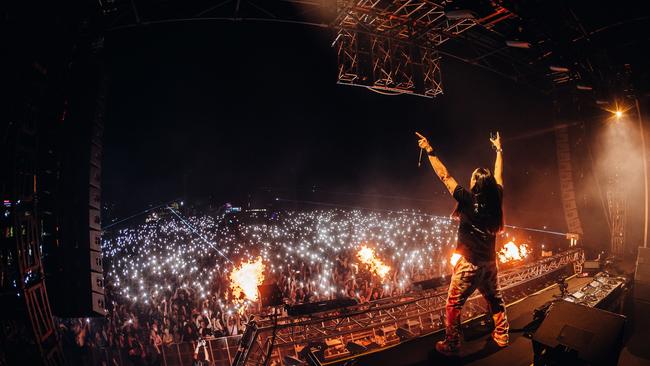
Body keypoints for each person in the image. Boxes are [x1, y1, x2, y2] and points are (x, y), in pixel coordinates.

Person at [416, 131, 509, 356]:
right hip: (489, 263)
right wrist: (499, 150)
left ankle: (452, 343)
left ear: (476, 183)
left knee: (453, 304)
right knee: (495, 299)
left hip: (469, 265)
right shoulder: (497, 197)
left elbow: (445, 176)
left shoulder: (467, 201)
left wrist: (430, 152)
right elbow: (499, 174)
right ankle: (502, 335)